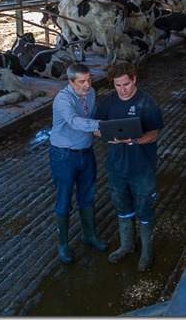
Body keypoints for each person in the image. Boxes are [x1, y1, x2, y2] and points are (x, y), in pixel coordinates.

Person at [95, 61, 164, 272]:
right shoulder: (108, 102)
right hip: (116, 167)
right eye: (118, 86)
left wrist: (134, 140)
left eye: (126, 84)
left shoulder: (147, 103)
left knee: (144, 209)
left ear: (134, 79)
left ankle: (147, 251)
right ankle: (127, 245)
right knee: (122, 208)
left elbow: (154, 134)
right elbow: (95, 128)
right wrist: (107, 135)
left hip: (141, 168)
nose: (122, 90)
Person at [49, 63, 109, 264]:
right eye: (82, 81)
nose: (87, 85)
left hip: (86, 152)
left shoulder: (91, 93)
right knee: (64, 200)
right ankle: (63, 245)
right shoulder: (62, 99)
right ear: (70, 82)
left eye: (89, 79)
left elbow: (91, 116)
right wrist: (105, 127)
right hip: (64, 155)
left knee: (88, 195)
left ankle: (89, 236)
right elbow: (75, 121)